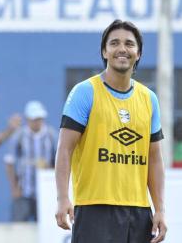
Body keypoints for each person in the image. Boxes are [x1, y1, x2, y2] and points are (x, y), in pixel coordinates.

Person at [55, 20, 167, 243]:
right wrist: (62, 198)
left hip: (138, 212)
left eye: (129, 44)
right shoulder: (85, 92)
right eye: (114, 43)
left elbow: (154, 159)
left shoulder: (149, 99)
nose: (122, 49)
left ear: (139, 53)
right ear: (104, 52)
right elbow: (64, 150)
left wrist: (160, 209)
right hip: (94, 208)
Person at [4, 100, 57, 222]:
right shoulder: (19, 136)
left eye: (39, 118)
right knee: (19, 226)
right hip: (24, 191)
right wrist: (14, 188)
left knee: (47, 224)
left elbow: (59, 160)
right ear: (28, 119)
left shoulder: (51, 135)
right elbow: (9, 162)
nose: (37, 122)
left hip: (46, 191)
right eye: (34, 119)